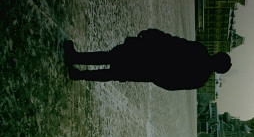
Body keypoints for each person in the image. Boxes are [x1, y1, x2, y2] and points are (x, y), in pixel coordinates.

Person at [64, 28, 232, 91]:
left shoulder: (199, 51)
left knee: (109, 58)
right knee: (111, 73)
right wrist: (156, 76)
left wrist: (153, 34)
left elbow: (173, 42)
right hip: (148, 70)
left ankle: (75, 58)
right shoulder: (200, 79)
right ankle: (78, 74)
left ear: (217, 57)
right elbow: (172, 85)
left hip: (148, 55)